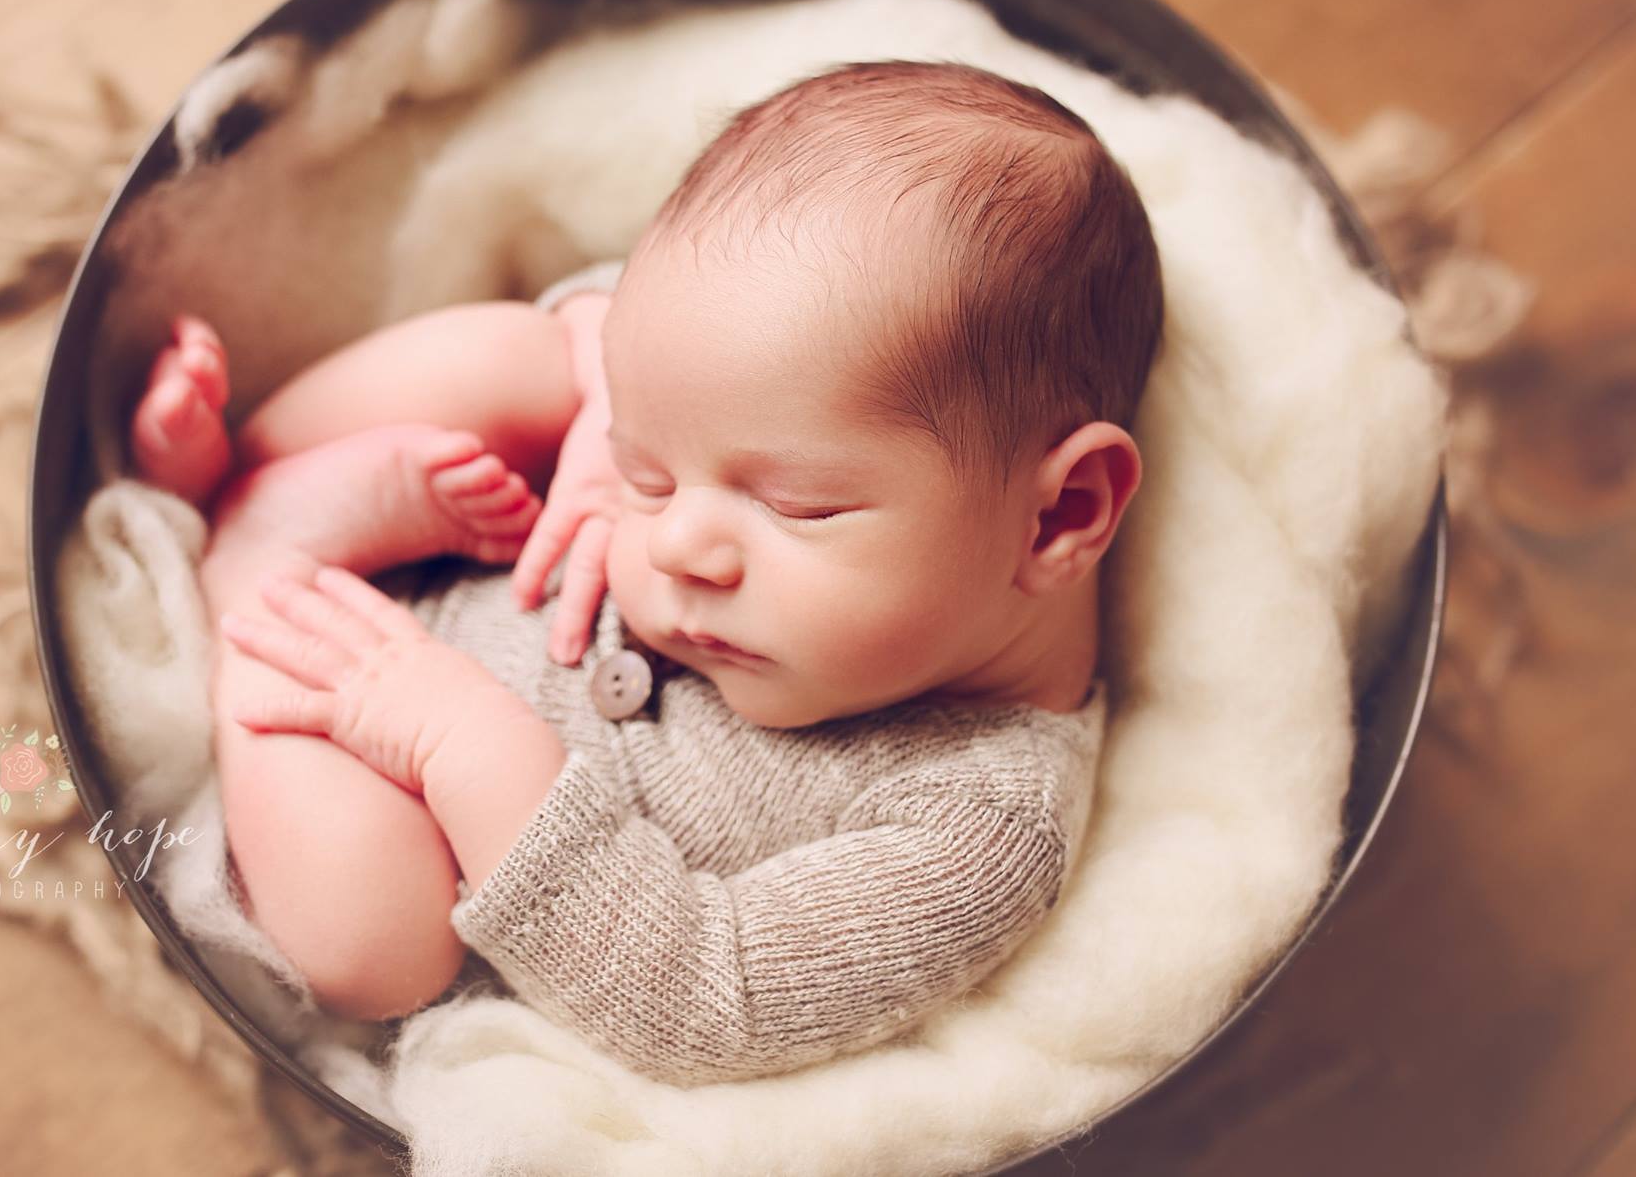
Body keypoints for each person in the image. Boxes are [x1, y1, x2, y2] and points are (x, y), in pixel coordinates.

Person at [127, 59, 1164, 1085]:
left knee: (371, 948)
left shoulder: (977, 828)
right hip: (485, 528)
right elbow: (672, 336)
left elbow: (706, 999)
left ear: (1058, 516)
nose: (674, 546)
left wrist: (462, 743)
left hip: (391, 786)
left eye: (795, 506)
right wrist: (595, 403)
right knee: (525, 360)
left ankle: (253, 560)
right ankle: (254, 464)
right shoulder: (737, 454)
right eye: (650, 477)